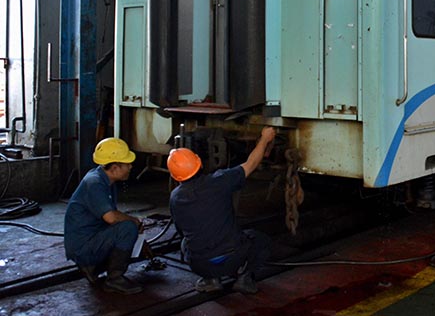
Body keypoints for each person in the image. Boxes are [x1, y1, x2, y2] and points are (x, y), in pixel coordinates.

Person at [168, 126, 276, 294]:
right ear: (199, 163)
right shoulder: (219, 181)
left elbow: (181, 230)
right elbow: (251, 164)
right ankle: (244, 279)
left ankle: (211, 279)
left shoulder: (175, 197)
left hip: (199, 264)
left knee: (185, 242)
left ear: (175, 176)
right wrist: (265, 139)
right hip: (233, 257)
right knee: (261, 240)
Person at [64, 137, 144, 294]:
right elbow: (111, 218)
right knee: (127, 228)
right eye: (127, 164)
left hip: (89, 240)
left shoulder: (103, 179)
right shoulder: (95, 183)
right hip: (83, 247)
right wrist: (134, 221)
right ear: (114, 168)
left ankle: (93, 267)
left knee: (126, 229)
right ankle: (114, 279)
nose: (130, 167)